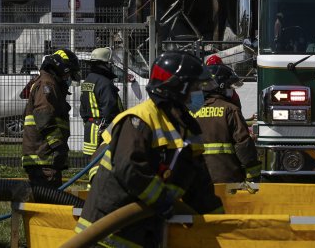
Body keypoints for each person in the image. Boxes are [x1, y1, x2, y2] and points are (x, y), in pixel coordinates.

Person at [76, 51, 224, 247]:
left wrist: (222, 227)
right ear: (177, 88)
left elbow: (199, 185)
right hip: (107, 233)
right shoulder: (139, 120)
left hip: (145, 232)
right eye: (195, 87)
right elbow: (130, 168)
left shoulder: (188, 130)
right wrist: (162, 200)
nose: (199, 93)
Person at [193, 59, 261, 183]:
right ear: (221, 86)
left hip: (198, 180)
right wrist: (253, 175)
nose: (232, 90)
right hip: (227, 178)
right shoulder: (230, 110)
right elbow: (243, 144)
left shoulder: (192, 111)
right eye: (230, 86)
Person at [21, 48, 80, 187]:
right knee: (49, 203)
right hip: (44, 155)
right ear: (62, 69)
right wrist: (58, 144)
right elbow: (44, 116)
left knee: (47, 201)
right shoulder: (47, 84)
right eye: (69, 74)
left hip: (45, 154)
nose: (69, 78)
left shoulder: (49, 83)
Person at [80, 47, 125, 156]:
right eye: (110, 64)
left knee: (92, 165)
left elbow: (83, 109)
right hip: (103, 132)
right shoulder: (104, 83)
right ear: (105, 64)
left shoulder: (87, 80)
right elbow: (110, 110)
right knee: (104, 165)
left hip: (90, 129)